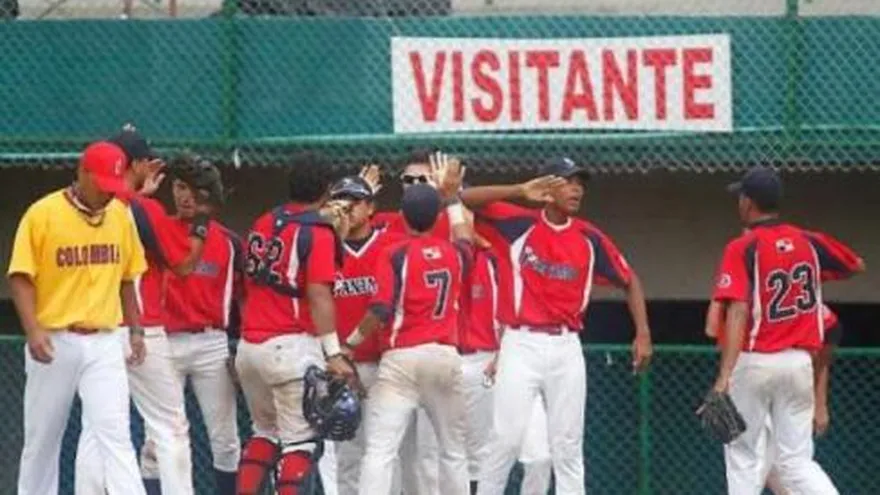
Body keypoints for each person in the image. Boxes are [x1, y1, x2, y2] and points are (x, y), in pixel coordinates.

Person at [461, 157, 654, 495]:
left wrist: (643, 333)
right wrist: (521, 189)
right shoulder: (519, 223)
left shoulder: (589, 237)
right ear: (548, 189)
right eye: (568, 181)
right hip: (520, 344)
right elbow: (465, 198)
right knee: (504, 440)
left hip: (566, 346)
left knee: (567, 446)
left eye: (580, 183)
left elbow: (630, 279)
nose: (577, 189)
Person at [707, 166, 865, 495]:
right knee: (796, 462)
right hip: (798, 364)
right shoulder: (808, 240)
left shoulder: (743, 246)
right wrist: (807, 276)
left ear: (748, 203)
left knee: (744, 457)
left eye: (741, 197)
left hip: (756, 361)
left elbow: (736, 311)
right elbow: (855, 265)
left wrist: (724, 376)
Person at [9, 141, 148, 495]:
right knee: (42, 439)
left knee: (116, 435)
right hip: (55, 338)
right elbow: (20, 277)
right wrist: (33, 330)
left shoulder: (119, 214)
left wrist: (136, 330)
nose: (107, 193)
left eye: (113, 185)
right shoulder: (43, 214)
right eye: (102, 183)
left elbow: (128, 278)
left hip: (104, 340)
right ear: (83, 172)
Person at [76, 130, 210, 495]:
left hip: (93, 328)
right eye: (145, 161)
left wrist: (135, 190)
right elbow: (184, 264)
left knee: (96, 426)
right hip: (139, 329)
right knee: (170, 426)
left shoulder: (78, 204)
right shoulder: (142, 208)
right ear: (135, 164)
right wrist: (202, 218)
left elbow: (121, 201)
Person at [346, 155, 472, 495]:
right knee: (453, 453)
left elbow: (380, 309)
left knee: (380, 451)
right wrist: (454, 199)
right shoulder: (456, 253)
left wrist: (350, 343)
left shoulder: (395, 252)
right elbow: (465, 236)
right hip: (445, 356)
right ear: (436, 217)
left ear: (403, 215)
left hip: (402, 360)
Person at [235, 152, 355, 495]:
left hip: (250, 346)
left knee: (264, 434)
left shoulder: (263, 220)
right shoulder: (317, 231)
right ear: (326, 190)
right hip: (289, 347)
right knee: (301, 444)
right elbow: (319, 295)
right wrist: (333, 352)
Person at [138, 159, 242, 495]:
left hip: (212, 342)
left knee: (225, 439)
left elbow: (245, 298)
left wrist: (238, 345)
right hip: (164, 342)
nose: (186, 197)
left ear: (210, 196)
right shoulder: (158, 231)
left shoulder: (229, 242)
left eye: (195, 190)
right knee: (156, 441)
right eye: (180, 187)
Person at [705, 300, 842, 495]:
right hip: (792, 377)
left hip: (757, 375)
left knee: (750, 462)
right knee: (785, 466)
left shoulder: (746, 284)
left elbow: (711, 327)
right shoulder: (797, 291)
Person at [327, 172, 406, 495]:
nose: (348, 207)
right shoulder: (325, 248)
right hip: (341, 365)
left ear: (371, 207)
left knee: (385, 451)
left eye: (356, 201)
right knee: (346, 453)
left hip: (384, 362)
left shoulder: (390, 244)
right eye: (340, 200)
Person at [462, 244, 552, 495]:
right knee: (476, 464)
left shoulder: (500, 257)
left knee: (540, 456)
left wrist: (504, 352)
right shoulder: (446, 256)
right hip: (466, 364)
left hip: (512, 358)